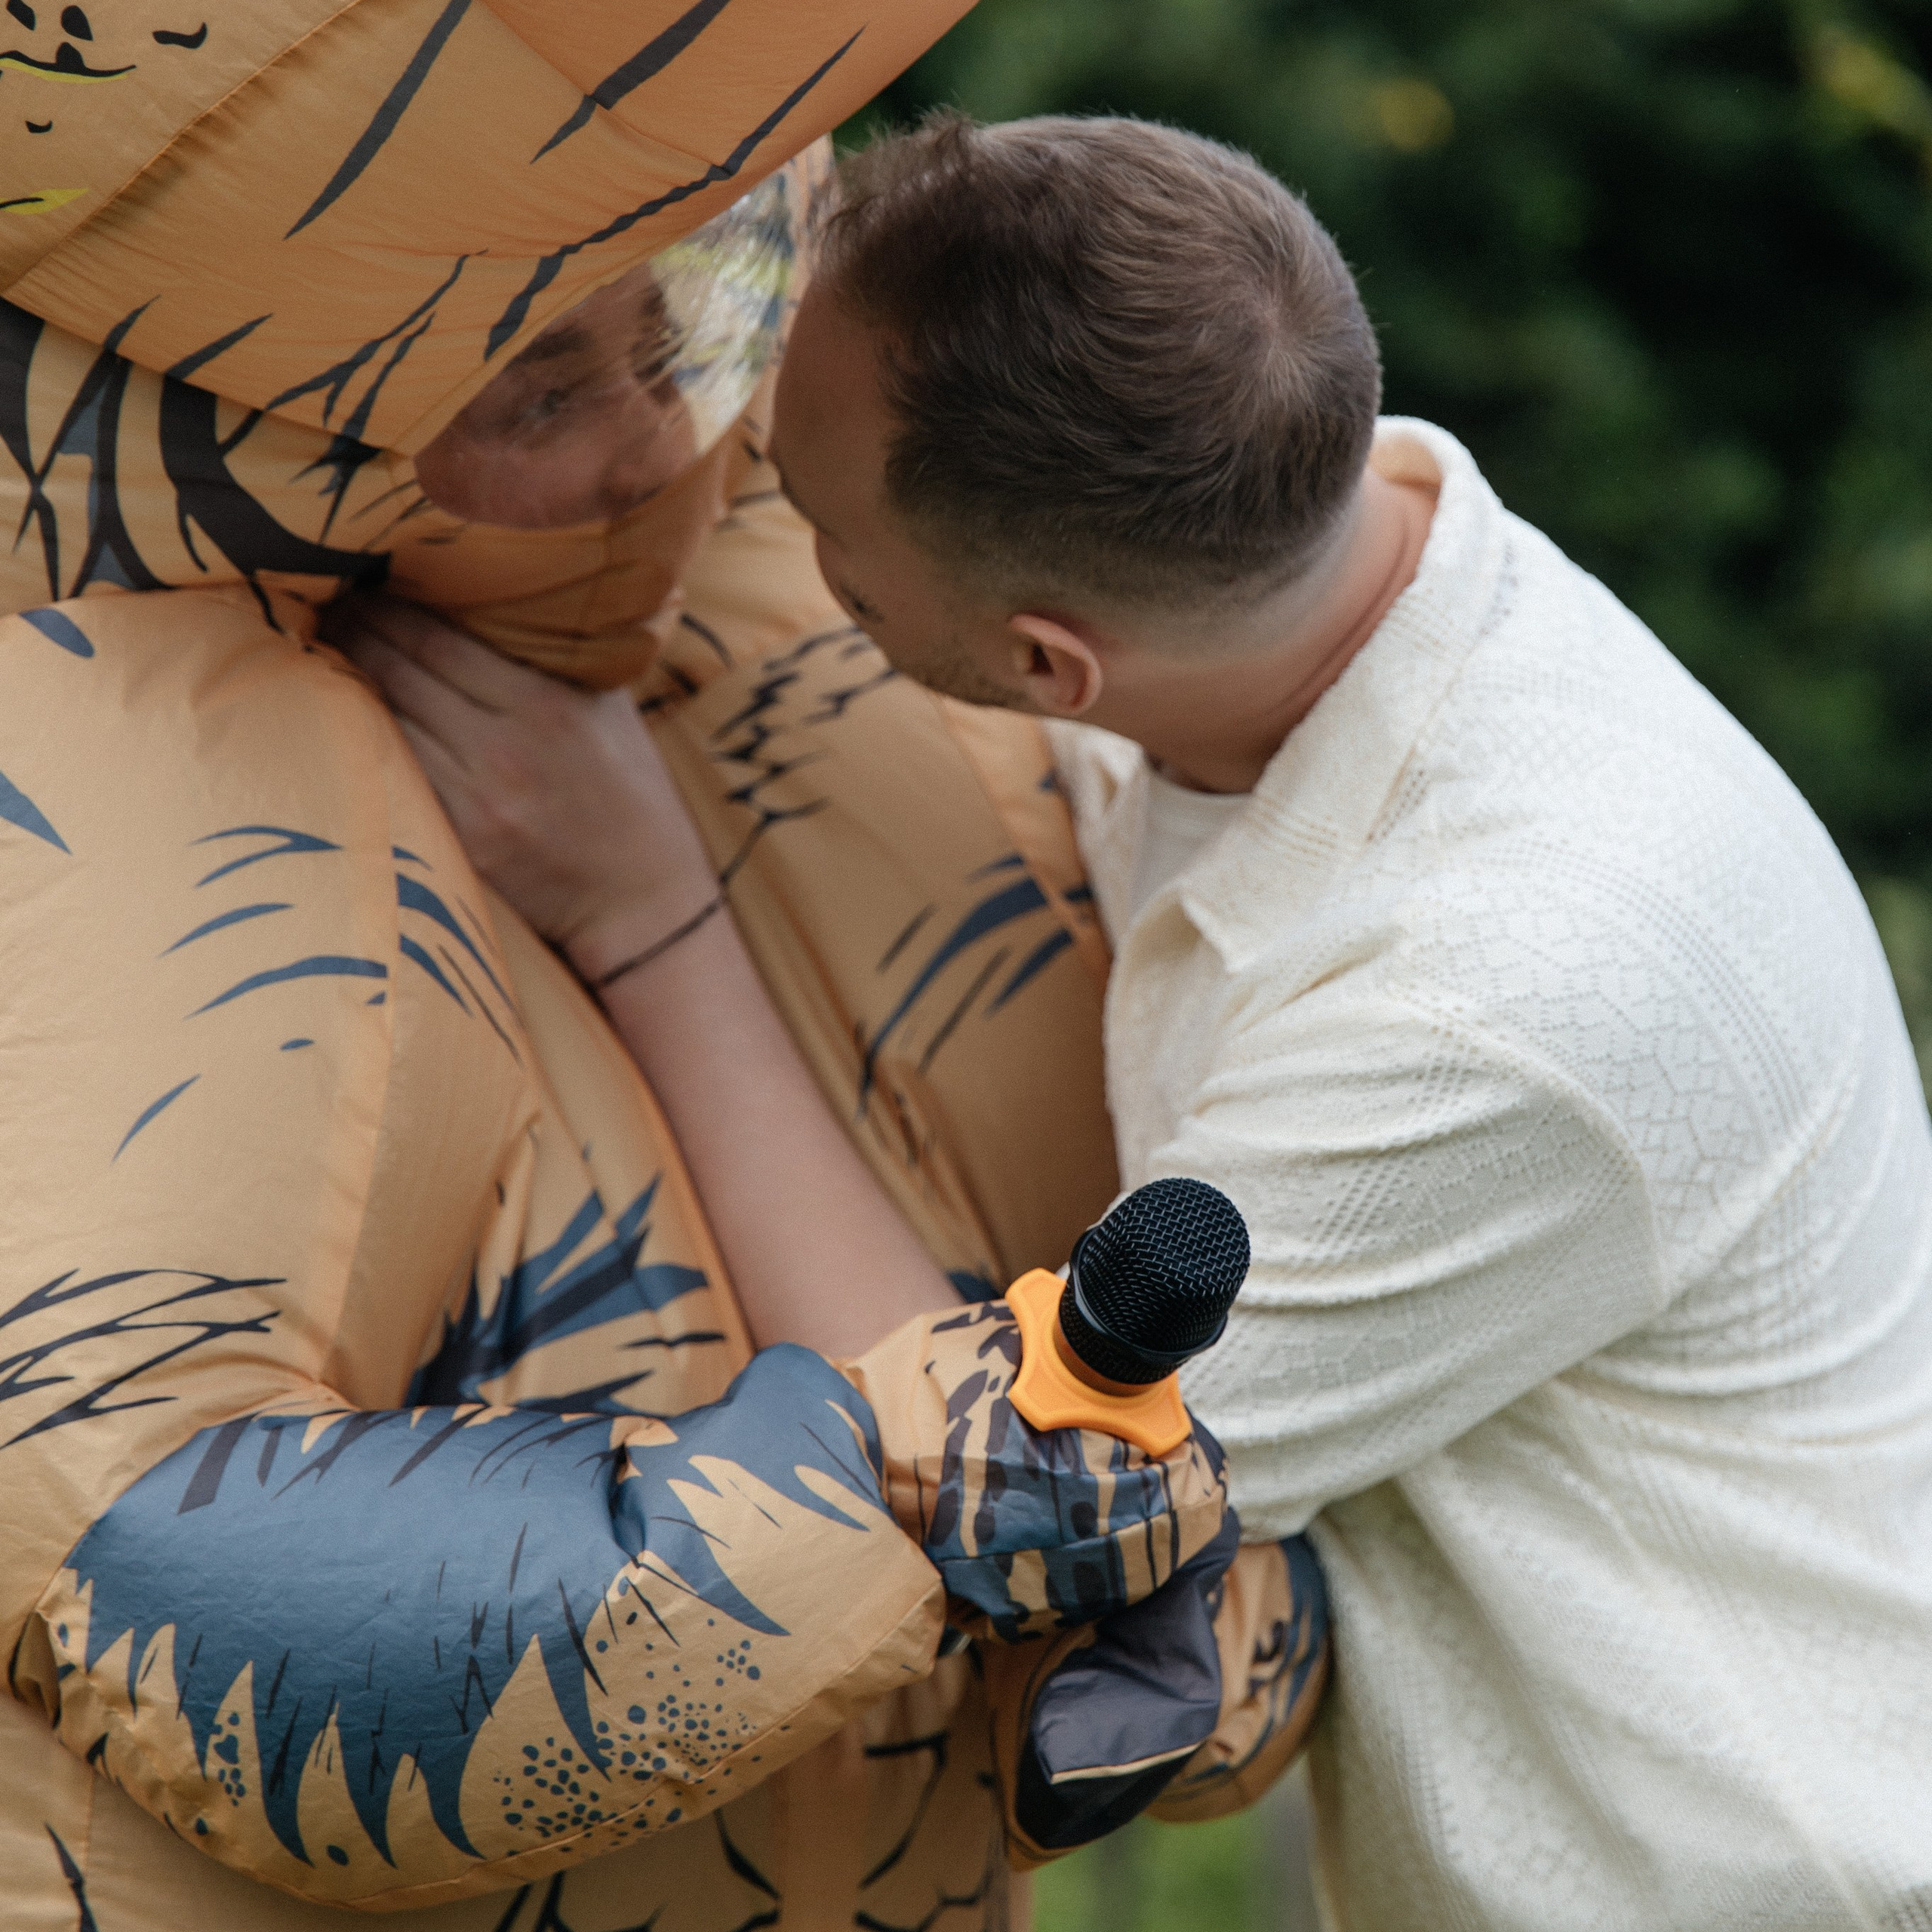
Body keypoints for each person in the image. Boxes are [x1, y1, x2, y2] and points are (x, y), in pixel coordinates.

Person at [386, 110, 1932, 1927]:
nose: (748, 512)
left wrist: (644, 913)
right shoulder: (1292, 591)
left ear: (1048, 663)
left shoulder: (1501, 997)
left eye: (811, 526)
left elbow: (997, 1481)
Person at [0, 15, 1325, 1928]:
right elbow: (146, 1572)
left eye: (691, 317)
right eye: (535, 388)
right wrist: (905, 1500)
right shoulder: (98, 772)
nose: (653, 432)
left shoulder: (865, 608)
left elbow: (1201, 1410)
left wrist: (1174, 1585)